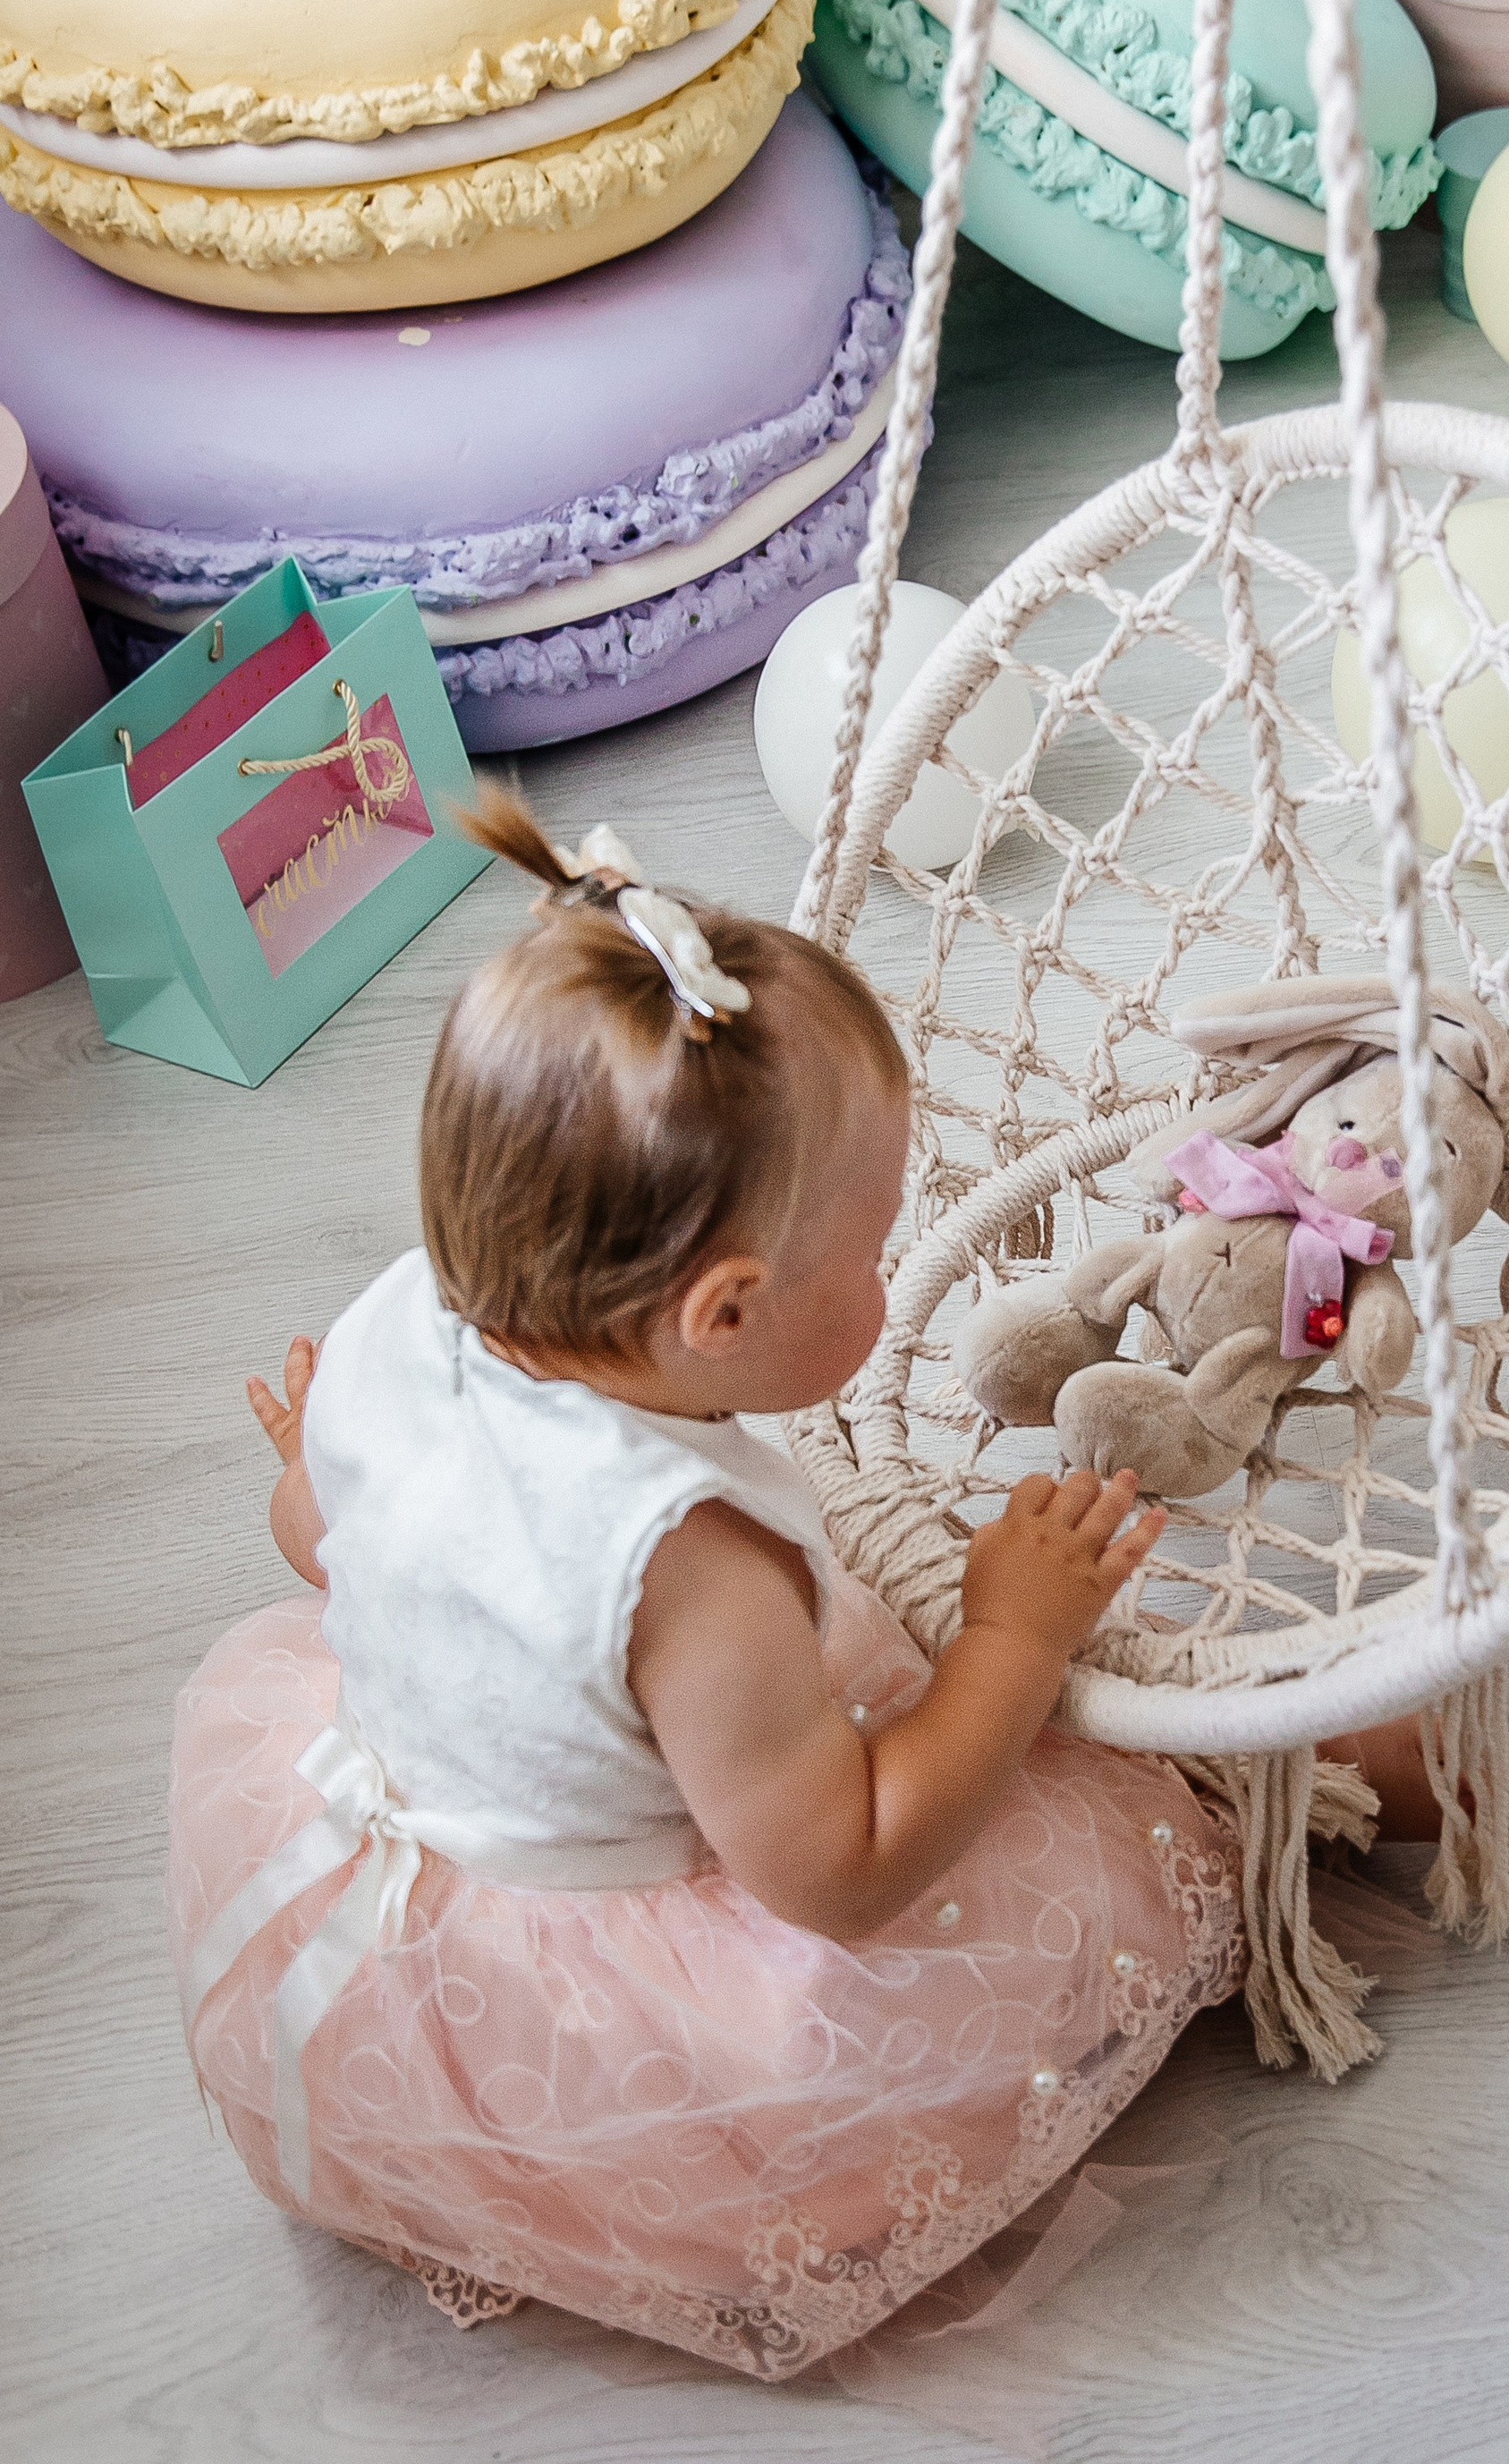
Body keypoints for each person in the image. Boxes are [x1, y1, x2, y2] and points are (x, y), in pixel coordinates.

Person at [171, 794, 1432, 2382]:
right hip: (664, 2029)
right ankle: (1339, 1799)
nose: (888, 1278)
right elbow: (842, 1870)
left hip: (380, 1892)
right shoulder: (691, 1570)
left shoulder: (399, 1322)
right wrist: (1011, 1634)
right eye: (869, 1253)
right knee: (1113, 1806)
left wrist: (326, 1475)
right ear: (725, 1313)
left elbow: (334, 1541)